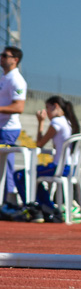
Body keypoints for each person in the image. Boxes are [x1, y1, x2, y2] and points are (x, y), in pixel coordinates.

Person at [13, 96, 81, 212]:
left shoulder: (57, 122)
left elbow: (39, 144)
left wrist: (41, 122)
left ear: (56, 106)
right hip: (73, 168)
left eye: (47, 108)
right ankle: (45, 206)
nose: (46, 112)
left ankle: (34, 208)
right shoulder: (70, 122)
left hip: (61, 168)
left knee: (21, 175)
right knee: (33, 175)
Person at [0, 46, 26, 205]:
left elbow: (19, 107)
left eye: (4, 55)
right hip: (2, 127)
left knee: (6, 167)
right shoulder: (5, 77)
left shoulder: (16, 80)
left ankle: (8, 201)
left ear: (15, 60)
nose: (1, 57)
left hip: (7, 129)